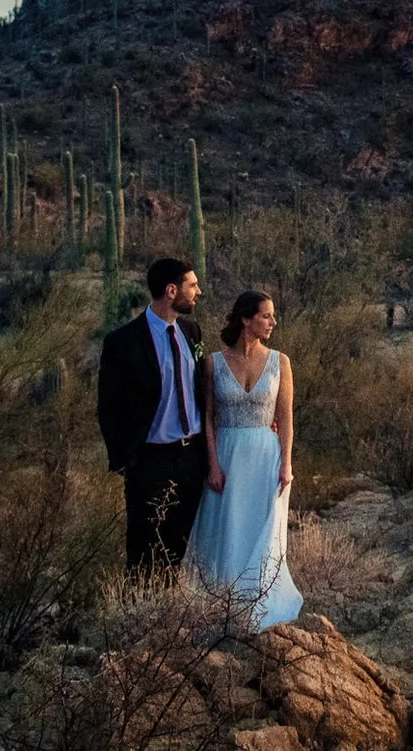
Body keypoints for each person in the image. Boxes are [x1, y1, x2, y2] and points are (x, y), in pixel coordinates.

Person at [189, 289, 301, 628]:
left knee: (260, 532)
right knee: (227, 528)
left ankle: (258, 604)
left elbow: (286, 417)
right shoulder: (213, 363)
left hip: (265, 457)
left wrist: (286, 464)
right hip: (227, 453)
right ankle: (224, 603)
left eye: (272, 315)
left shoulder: (280, 361)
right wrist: (212, 464)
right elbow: (207, 417)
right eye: (266, 315)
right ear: (245, 319)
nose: (272, 322)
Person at [96, 256, 209, 574]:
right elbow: (108, 406)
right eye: (193, 285)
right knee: (144, 546)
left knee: (181, 543)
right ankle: (140, 613)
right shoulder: (124, 342)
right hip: (150, 459)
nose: (198, 292)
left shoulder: (192, 331)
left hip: (192, 456)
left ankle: (173, 612)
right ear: (171, 291)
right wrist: (123, 459)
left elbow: (202, 389)